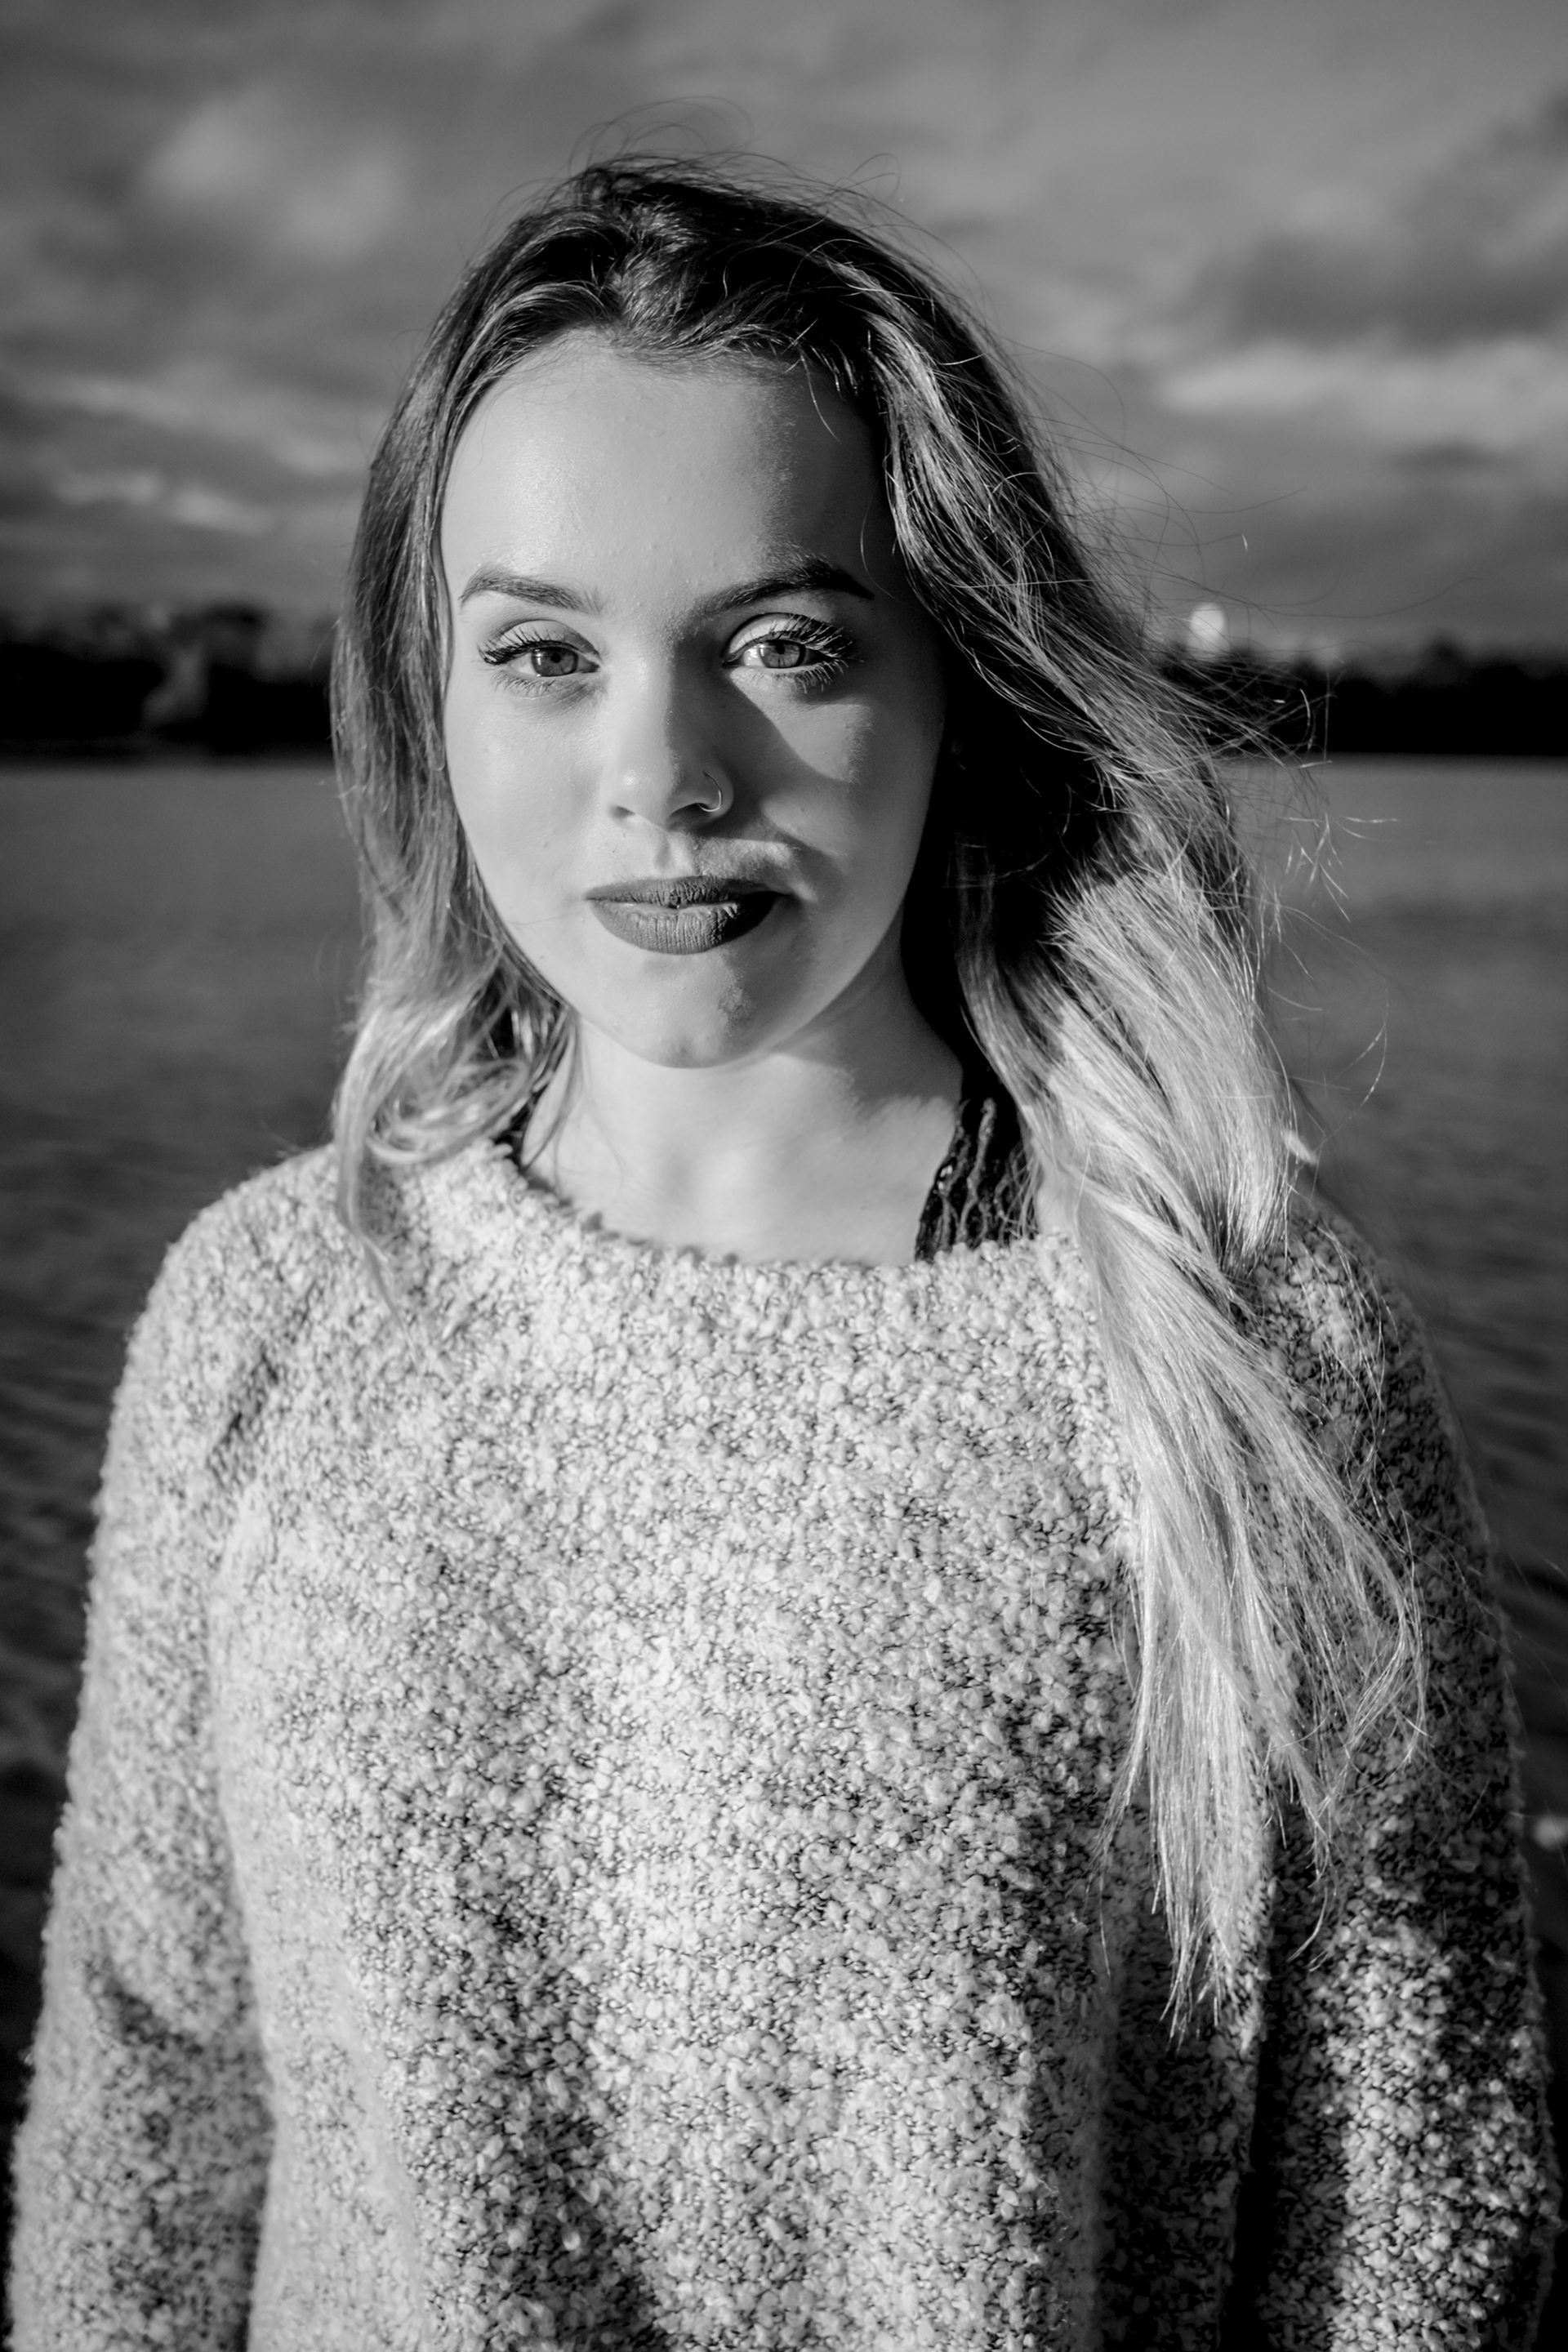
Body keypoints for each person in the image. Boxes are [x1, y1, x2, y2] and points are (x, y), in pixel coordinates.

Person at [9, 156, 1557, 2350]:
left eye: (786, 642)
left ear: (958, 680)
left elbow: (1410, 2211)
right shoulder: (269, 1309)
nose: (661, 772)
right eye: (544, 654)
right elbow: (144, 2095)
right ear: (433, 704)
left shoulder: (1244, 1359)